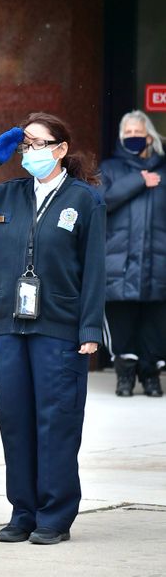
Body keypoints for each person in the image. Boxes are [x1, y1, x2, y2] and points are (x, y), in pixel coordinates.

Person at [0, 112, 105, 545]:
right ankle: (23, 510)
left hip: (60, 328)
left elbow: (94, 268)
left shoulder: (83, 200)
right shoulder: (6, 195)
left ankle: (55, 514)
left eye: (37, 144)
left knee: (56, 420)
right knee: (14, 418)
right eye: (24, 145)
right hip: (10, 327)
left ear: (60, 149)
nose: (28, 152)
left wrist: (90, 327)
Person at [100, 110, 166, 397]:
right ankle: (124, 376)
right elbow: (101, 202)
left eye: (138, 133)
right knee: (122, 323)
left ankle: (151, 376)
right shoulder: (110, 169)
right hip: (119, 263)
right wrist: (138, 181)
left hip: (159, 261)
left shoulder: (165, 170)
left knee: (155, 324)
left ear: (150, 136)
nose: (133, 138)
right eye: (127, 134)